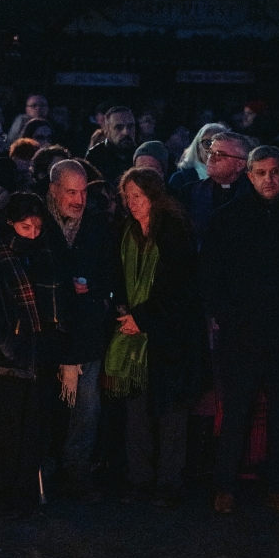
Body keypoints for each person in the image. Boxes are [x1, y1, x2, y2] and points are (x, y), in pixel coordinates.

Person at [201, 146, 279, 515]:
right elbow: (211, 277)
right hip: (242, 336)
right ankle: (224, 485)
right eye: (261, 173)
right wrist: (228, 317)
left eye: (274, 172)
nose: (269, 179)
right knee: (236, 414)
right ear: (249, 175)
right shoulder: (227, 219)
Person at [104, 169, 206, 507]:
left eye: (139, 196)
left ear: (154, 196)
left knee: (171, 413)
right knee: (136, 411)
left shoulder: (175, 232)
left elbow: (181, 289)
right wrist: (123, 309)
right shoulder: (126, 231)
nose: (133, 203)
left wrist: (143, 318)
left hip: (169, 338)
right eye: (128, 196)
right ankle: (139, 478)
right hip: (134, 335)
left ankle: (169, 482)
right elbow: (117, 275)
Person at [0, 192, 75, 515]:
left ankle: (22, 496)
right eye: (25, 227)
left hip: (36, 355)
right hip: (4, 361)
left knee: (31, 432)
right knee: (2, 433)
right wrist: (9, 344)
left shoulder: (42, 254)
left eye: (37, 227)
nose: (31, 234)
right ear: (9, 223)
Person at [46, 159, 114, 496]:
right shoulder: (40, 223)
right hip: (49, 332)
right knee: (50, 402)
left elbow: (110, 274)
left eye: (83, 192)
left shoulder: (99, 225)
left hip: (86, 331)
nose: (78, 199)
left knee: (87, 405)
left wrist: (96, 291)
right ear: (54, 191)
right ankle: (45, 465)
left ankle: (77, 467)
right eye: (70, 192)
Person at [170, 131, 251, 243]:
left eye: (219, 155)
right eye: (210, 152)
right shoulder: (190, 192)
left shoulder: (254, 195)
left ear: (240, 164)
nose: (210, 159)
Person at [86, 106, 137, 185]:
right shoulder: (95, 157)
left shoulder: (142, 155)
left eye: (130, 126)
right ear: (106, 130)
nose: (126, 132)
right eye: (118, 128)